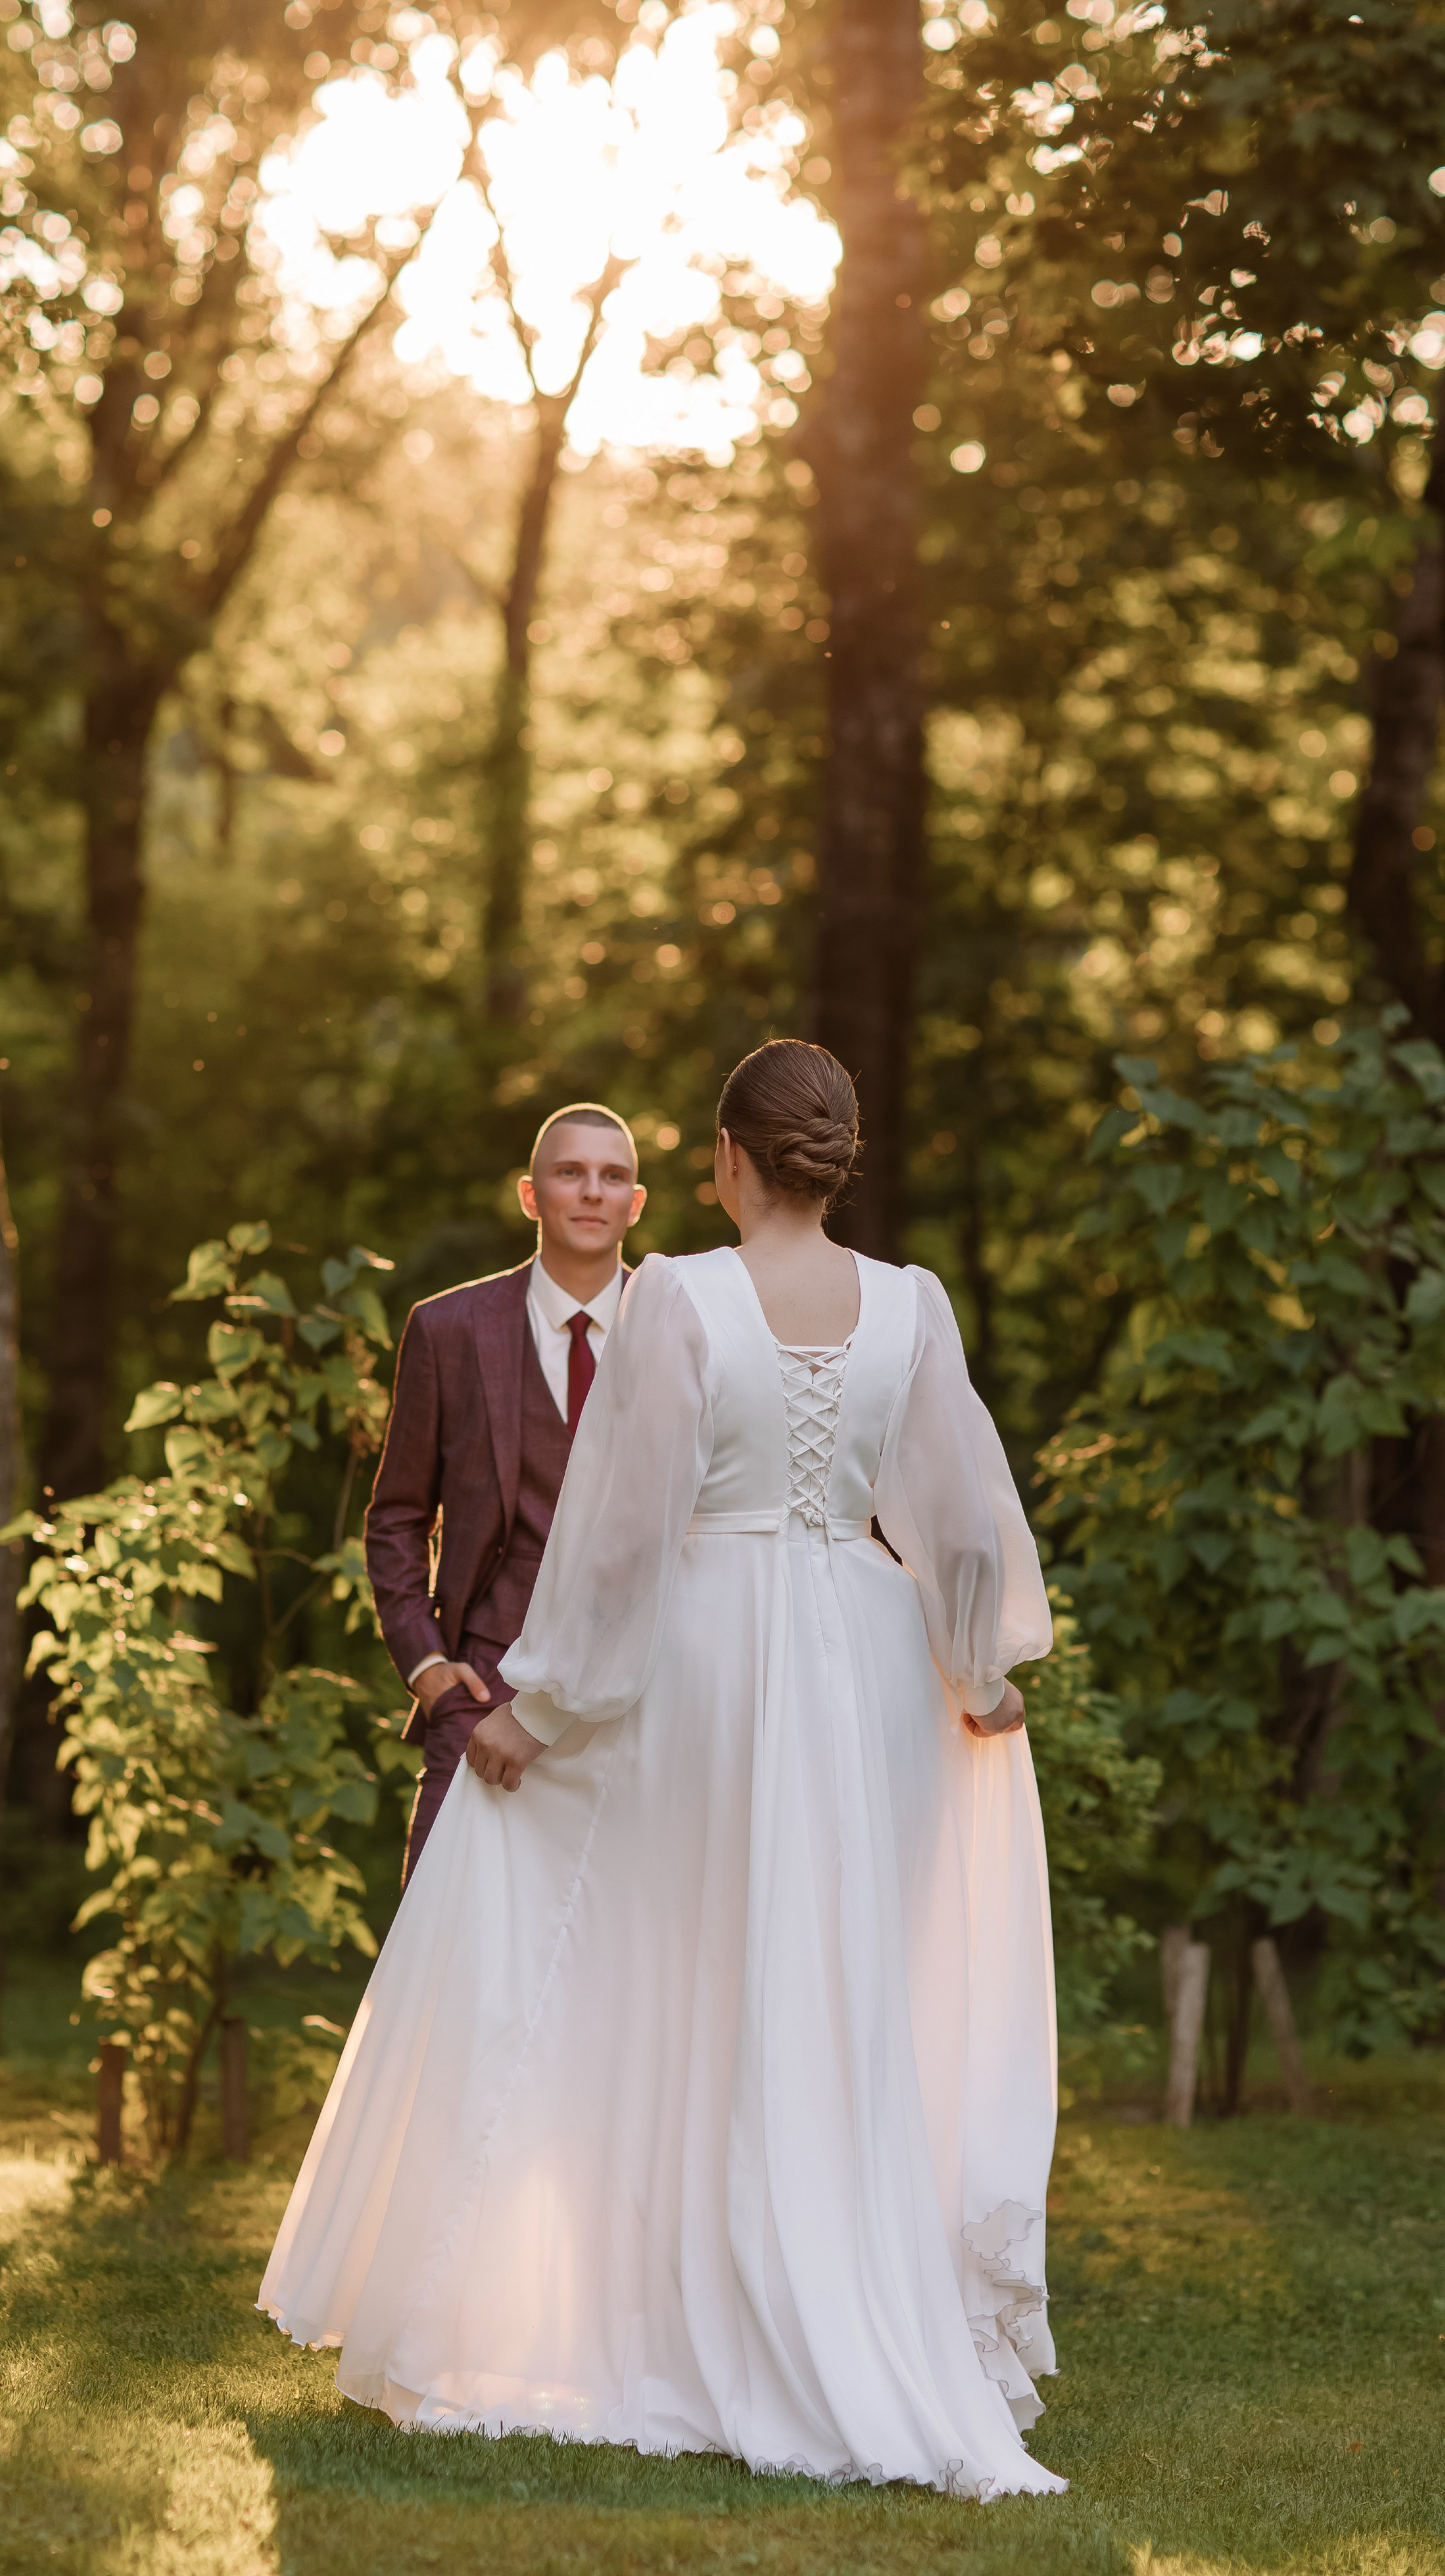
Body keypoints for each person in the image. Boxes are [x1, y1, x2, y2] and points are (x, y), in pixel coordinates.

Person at [260, 1040, 1065, 2501]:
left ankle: (689, 2318)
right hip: (864, 1660)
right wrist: (977, 1670)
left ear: (724, 1161)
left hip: (709, 1656)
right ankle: (816, 2301)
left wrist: (544, 1707)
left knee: (680, 1978)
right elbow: (957, 1516)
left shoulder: (679, 1296)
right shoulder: (912, 1303)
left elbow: (624, 1533)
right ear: (829, 1159)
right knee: (831, 1977)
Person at [364, 1103, 647, 1883]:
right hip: (483, 1688)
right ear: (531, 1195)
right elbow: (397, 1516)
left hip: (641, 1696)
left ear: (634, 1203)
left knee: (611, 1939)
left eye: (612, 1177)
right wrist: (427, 1667)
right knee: (440, 1927)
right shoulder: (448, 1328)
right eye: (570, 1173)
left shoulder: (681, 1331)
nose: (591, 1192)